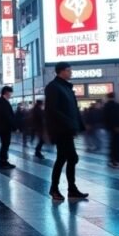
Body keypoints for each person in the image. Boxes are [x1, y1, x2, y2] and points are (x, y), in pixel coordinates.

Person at [45, 62, 88, 201]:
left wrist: (79, 125)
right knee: (65, 158)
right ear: (61, 71)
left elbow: (74, 110)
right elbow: (52, 109)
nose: (71, 73)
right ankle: (56, 188)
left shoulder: (67, 87)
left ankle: (70, 189)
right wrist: (69, 123)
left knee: (70, 158)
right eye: (69, 70)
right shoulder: (53, 87)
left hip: (68, 128)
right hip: (60, 129)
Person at [104, 92, 119, 169]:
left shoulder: (107, 106)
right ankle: (118, 160)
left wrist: (111, 126)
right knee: (118, 144)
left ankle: (115, 161)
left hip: (112, 128)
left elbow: (106, 118)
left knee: (113, 144)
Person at [0, 87, 15, 169]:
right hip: (4, 127)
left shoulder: (1, 101)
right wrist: (14, 126)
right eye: (10, 92)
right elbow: (7, 116)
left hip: (4, 127)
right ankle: (3, 162)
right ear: (6, 92)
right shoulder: (2, 102)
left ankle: (4, 161)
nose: (11, 94)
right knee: (5, 144)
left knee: (5, 144)